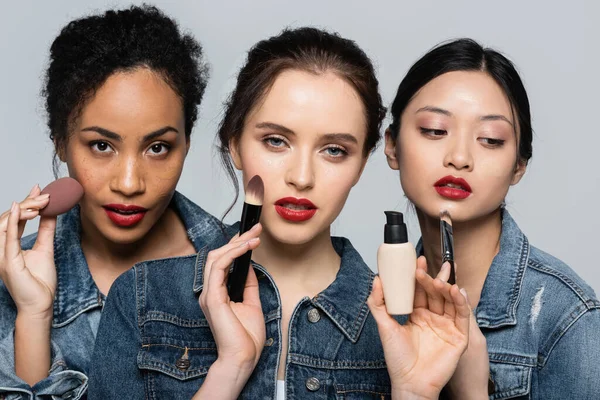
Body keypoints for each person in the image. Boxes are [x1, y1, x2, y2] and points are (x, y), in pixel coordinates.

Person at [89, 27, 471, 400]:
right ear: (234, 143)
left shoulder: (401, 324)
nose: (301, 177)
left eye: (334, 150)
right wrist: (231, 368)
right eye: (276, 141)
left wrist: (414, 392)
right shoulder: (145, 300)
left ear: (361, 163)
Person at [0, 5, 223, 399]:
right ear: (60, 141)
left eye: (158, 147)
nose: (129, 183)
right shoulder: (12, 279)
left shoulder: (240, 270)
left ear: (186, 143)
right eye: (101, 145)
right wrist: (34, 315)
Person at [382, 38, 600, 399]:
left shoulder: (568, 319)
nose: (459, 157)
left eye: (490, 139)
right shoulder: (372, 306)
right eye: (435, 130)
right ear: (392, 145)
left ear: (519, 166)